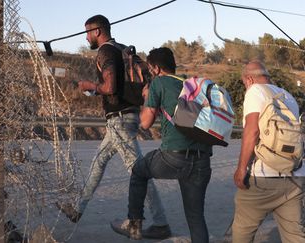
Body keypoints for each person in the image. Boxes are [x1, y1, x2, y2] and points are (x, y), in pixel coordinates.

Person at [56, 15, 171, 240]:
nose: (87, 37)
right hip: (126, 116)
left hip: (119, 118)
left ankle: (161, 222)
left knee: (138, 172)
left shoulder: (105, 52)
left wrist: (91, 86)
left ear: (98, 31)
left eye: (88, 32)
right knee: (98, 161)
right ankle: (78, 210)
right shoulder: (121, 49)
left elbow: (109, 86)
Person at [111, 47, 213, 241]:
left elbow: (145, 122)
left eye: (150, 69)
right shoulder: (189, 84)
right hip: (202, 160)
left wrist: (147, 97)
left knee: (139, 171)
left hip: (174, 157)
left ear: (156, 68)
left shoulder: (158, 83)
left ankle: (134, 225)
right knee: (195, 217)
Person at [232, 61, 305, 243]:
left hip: (263, 178)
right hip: (294, 175)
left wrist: (241, 169)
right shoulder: (287, 95)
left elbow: (252, 131)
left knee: (243, 230)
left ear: (249, 79)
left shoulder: (255, 91)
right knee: (295, 236)